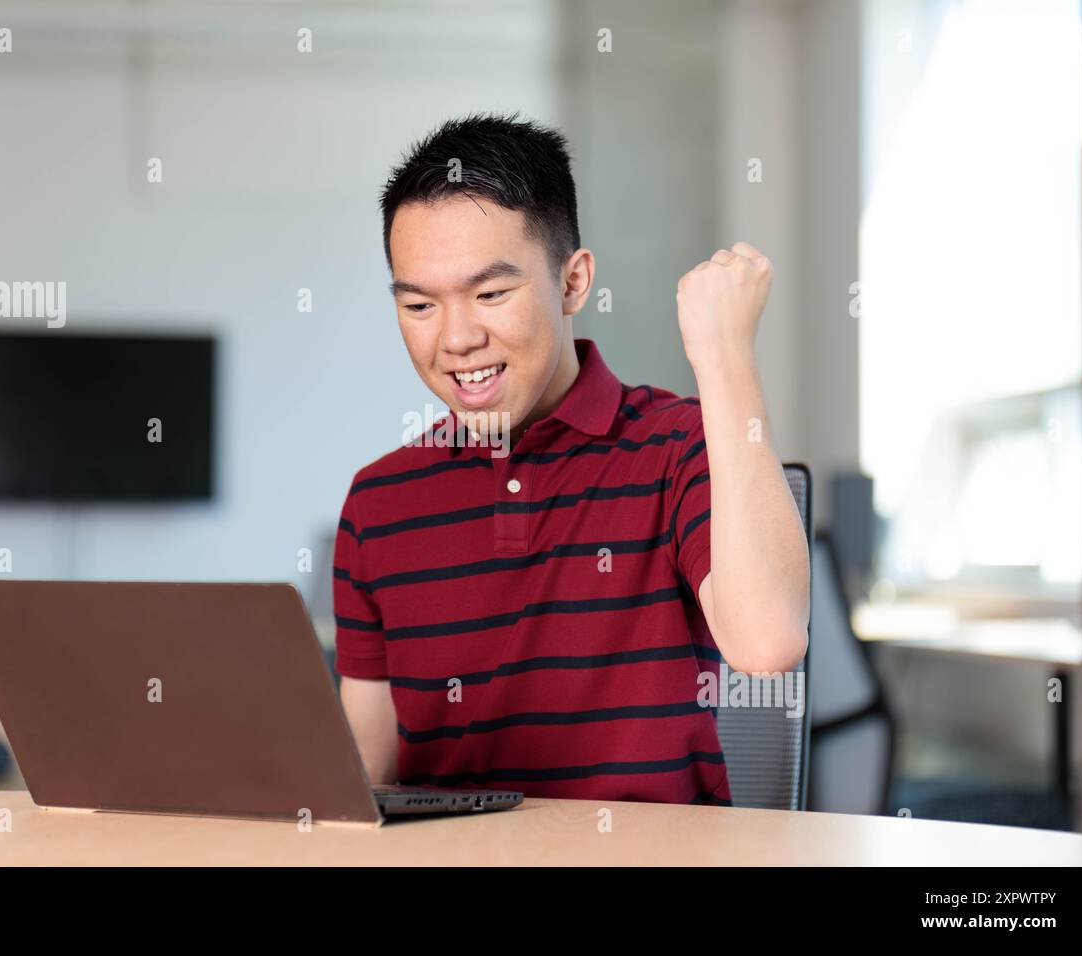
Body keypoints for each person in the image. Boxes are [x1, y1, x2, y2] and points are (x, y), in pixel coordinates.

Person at [333, 113, 809, 805]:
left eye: (492, 294)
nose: (457, 338)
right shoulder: (378, 503)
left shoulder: (677, 449)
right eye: (419, 305)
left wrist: (725, 353)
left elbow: (767, 642)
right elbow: (363, 781)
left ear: (574, 281)